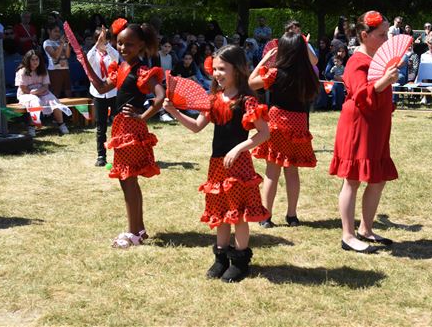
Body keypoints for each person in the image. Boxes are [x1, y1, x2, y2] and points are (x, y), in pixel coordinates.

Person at [163, 45, 270, 282]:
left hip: (239, 165)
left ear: (238, 70)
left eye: (223, 69)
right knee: (221, 212)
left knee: (239, 215)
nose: (217, 74)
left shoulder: (247, 101)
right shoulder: (213, 99)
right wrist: (175, 112)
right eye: (215, 69)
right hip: (216, 164)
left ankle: (240, 262)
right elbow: (196, 127)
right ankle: (221, 258)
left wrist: (239, 148)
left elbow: (263, 133)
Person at [80, 19, 165, 248]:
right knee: (128, 182)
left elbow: (160, 97)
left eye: (129, 44)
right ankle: (138, 230)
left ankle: (133, 233)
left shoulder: (143, 71)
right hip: (121, 128)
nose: (123, 48)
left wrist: (142, 116)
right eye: (119, 43)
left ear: (141, 46)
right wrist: (85, 63)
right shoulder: (121, 67)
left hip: (130, 130)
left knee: (128, 181)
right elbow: (100, 88)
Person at [329, 11, 399, 253]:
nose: (387, 40)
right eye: (381, 35)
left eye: (388, 34)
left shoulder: (379, 57)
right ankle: (347, 235)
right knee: (353, 180)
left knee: (377, 180)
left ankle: (365, 229)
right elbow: (361, 94)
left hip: (377, 124)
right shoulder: (356, 61)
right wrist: (385, 81)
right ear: (364, 35)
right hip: (359, 124)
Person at [249, 32, 319, 228]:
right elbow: (314, 60)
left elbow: (251, 82)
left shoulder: (275, 73)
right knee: (292, 171)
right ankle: (292, 216)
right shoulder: (308, 74)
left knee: (272, 172)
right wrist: (304, 44)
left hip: (278, 121)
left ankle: (266, 216)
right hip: (299, 123)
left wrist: (265, 59)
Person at [15, 50, 69, 136]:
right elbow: (23, 88)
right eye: (32, 59)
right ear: (28, 60)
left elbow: (45, 86)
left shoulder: (43, 70)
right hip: (26, 94)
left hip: (41, 91)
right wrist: (34, 93)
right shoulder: (22, 71)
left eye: (37, 59)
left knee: (53, 100)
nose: (35, 62)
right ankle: (32, 126)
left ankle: (61, 124)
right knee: (35, 101)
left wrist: (38, 91)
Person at [87, 27, 119, 166]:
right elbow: (88, 59)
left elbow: (115, 58)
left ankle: (120, 154)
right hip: (98, 93)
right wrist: (97, 44)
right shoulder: (93, 54)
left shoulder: (112, 53)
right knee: (101, 126)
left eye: (106, 40)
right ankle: (101, 155)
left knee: (118, 125)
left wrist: (106, 44)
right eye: (100, 39)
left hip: (113, 92)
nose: (103, 42)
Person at [43, 22, 72, 98]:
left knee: (68, 92)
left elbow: (68, 56)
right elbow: (55, 56)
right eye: (55, 31)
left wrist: (68, 43)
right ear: (49, 31)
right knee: (56, 93)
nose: (58, 33)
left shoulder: (62, 41)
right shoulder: (47, 42)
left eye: (59, 31)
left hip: (65, 69)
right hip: (54, 71)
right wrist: (62, 44)